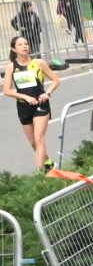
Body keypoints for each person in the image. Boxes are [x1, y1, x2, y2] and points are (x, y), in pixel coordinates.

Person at [3, 34, 59, 171]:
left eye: (26, 44)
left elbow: (56, 80)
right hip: (23, 107)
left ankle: (40, 176)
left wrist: (48, 93)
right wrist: (25, 97)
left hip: (41, 105)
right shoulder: (11, 67)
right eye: (20, 45)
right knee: (34, 143)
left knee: (39, 138)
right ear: (14, 49)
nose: (24, 47)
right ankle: (50, 165)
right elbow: (6, 90)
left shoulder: (39, 63)